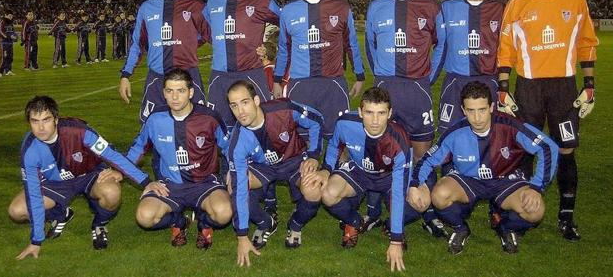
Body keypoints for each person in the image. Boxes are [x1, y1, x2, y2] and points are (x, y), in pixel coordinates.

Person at [497, 0, 599, 241]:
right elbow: (506, 50)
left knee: (566, 151)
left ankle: (566, 218)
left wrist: (589, 85)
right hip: (528, 87)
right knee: (526, 150)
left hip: (564, 88)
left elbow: (587, 43)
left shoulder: (576, 0)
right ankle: (523, 213)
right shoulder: (517, 4)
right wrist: (503, 88)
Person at [407, 81, 559, 254]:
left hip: (505, 181)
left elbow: (547, 147)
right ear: (463, 110)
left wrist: (536, 187)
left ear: (492, 107)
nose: (477, 117)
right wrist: (414, 184)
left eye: (482, 110)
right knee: (439, 196)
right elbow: (427, 159)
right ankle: (460, 228)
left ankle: (504, 226)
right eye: (471, 110)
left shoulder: (511, 126)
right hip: (469, 181)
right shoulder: (455, 132)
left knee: (536, 211)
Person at [8, 96, 153, 259]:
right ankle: (59, 214)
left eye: (46, 120)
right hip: (55, 183)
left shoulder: (79, 130)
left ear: (56, 119)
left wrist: (145, 182)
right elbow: (33, 193)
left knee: (112, 193)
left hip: (89, 175)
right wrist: (36, 240)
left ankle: (99, 225)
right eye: (35, 121)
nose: (41, 127)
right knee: (17, 210)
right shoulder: (29, 149)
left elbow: (112, 155)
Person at [364, 0, 445, 237]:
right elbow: (370, 48)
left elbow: (442, 46)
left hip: (417, 91)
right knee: (380, 152)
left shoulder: (430, 6)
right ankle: (373, 211)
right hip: (387, 89)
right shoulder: (376, 6)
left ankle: (429, 212)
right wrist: (381, 79)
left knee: (422, 157)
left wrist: (426, 79)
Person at [304, 87, 419, 272]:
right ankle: (355, 221)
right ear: (360, 112)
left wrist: (396, 239)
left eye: (381, 113)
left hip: (388, 177)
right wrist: (326, 170)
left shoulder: (400, 141)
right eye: (369, 113)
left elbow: (398, 191)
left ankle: (391, 226)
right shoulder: (345, 123)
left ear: (390, 113)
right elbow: (334, 146)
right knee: (327, 193)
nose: (375, 121)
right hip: (359, 172)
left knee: (419, 202)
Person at [126, 68, 232, 249]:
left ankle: (204, 222)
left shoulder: (208, 117)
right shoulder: (154, 119)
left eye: (181, 91)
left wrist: (233, 171)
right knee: (144, 217)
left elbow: (229, 147)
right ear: (164, 93)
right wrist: (141, 181)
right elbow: (137, 149)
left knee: (223, 214)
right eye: (170, 91)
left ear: (191, 92)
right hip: (170, 186)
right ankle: (179, 221)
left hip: (204, 183)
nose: (175, 97)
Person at [226, 80, 323, 267]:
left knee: (313, 189)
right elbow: (239, 190)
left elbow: (316, 120)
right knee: (234, 185)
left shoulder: (284, 108)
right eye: (234, 106)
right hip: (262, 167)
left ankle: (295, 224)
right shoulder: (236, 143)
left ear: (256, 100)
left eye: (244, 102)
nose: (241, 111)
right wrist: (242, 236)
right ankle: (266, 222)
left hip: (294, 160)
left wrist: (313, 155)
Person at [273, 0, 365, 138]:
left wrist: (359, 76)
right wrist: (276, 80)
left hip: (332, 84)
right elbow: (284, 48)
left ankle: (337, 168)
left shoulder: (340, 7)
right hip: (300, 85)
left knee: (340, 140)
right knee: (302, 140)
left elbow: (351, 43)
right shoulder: (288, 10)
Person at [119, 0, 211, 123]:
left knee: (197, 127)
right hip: (157, 79)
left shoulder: (196, 7)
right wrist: (126, 75)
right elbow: (137, 45)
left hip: (188, 77)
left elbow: (214, 38)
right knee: (153, 132)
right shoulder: (147, 8)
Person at [202, 0, 281, 132]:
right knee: (219, 131)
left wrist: (271, 46)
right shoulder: (213, 0)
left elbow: (286, 26)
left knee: (262, 128)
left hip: (251, 74)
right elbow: (204, 30)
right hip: (219, 77)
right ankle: (226, 163)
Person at [430, 0, 505, 134]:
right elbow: (439, 47)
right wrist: (428, 81)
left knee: (490, 138)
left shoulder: (502, 8)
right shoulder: (446, 7)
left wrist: (505, 85)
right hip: (455, 83)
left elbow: (508, 50)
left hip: (489, 82)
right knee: (449, 137)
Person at [0, 9, 17, 77]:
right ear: (5, 15)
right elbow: (0, 32)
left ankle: (8, 71)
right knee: (4, 57)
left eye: (11, 16)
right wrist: (9, 37)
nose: (11, 17)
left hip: (10, 43)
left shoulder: (11, 23)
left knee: (10, 57)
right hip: (3, 43)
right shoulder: (1, 22)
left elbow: (13, 32)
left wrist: (15, 37)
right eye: (9, 16)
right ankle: (0, 71)